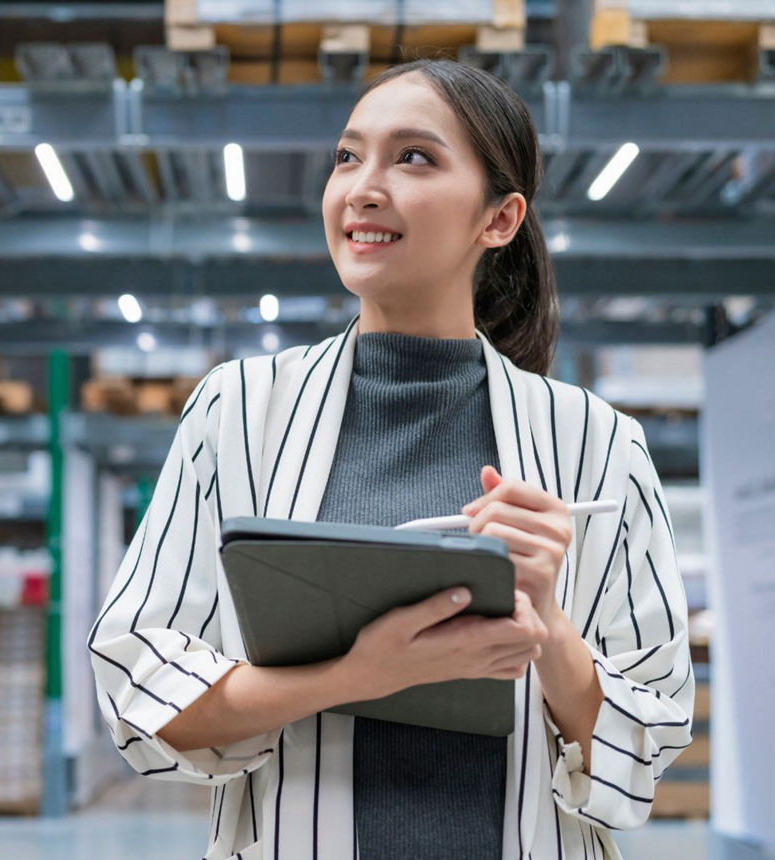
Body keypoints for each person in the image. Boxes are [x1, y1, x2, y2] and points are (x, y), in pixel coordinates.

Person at [87, 59, 693, 860]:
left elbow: (647, 741)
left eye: (413, 158)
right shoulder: (237, 413)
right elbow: (138, 687)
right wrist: (362, 674)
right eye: (348, 157)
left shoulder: (596, 444)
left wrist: (547, 623)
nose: (363, 188)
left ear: (500, 218)